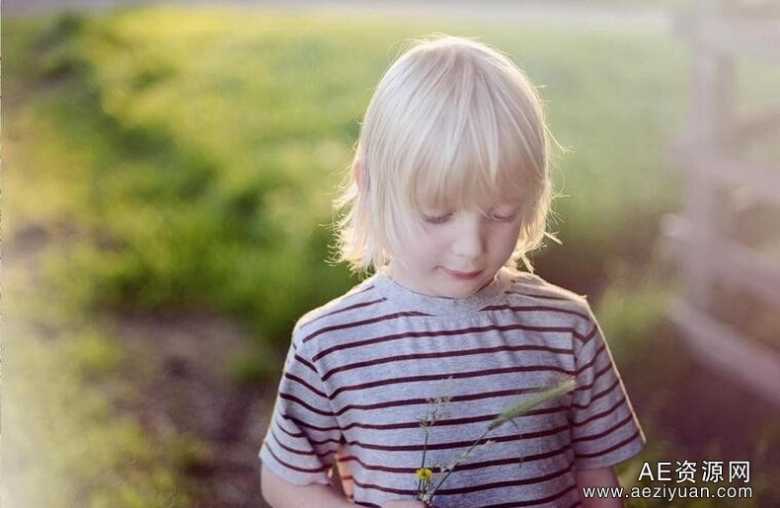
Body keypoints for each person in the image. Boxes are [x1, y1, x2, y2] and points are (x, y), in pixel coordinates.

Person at [259, 34, 645, 508]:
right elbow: (285, 482)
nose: (471, 249)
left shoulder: (567, 328)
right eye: (437, 215)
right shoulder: (330, 343)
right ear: (371, 185)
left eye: (501, 213)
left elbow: (598, 475)